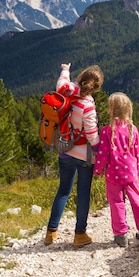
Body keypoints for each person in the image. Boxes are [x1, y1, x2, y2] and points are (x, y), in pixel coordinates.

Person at [44, 63, 104, 248]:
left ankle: (51, 233)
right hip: (84, 156)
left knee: (63, 191)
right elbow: (92, 135)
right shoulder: (87, 105)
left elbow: (61, 82)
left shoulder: (67, 91)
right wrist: (102, 151)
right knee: (83, 193)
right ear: (96, 87)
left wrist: (64, 69)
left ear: (81, 78)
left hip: (65, 150)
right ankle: (80, 235)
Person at [93, 92, 139, 247]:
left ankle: (121, 235)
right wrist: (137, 171)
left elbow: (103, 153)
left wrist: (98, 170)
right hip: (131, 173)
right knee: (136, 199)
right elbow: (137, 153)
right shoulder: (133, 129)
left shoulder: (107, 130)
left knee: (117, 203)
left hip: (114, 174)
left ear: (112, 110)